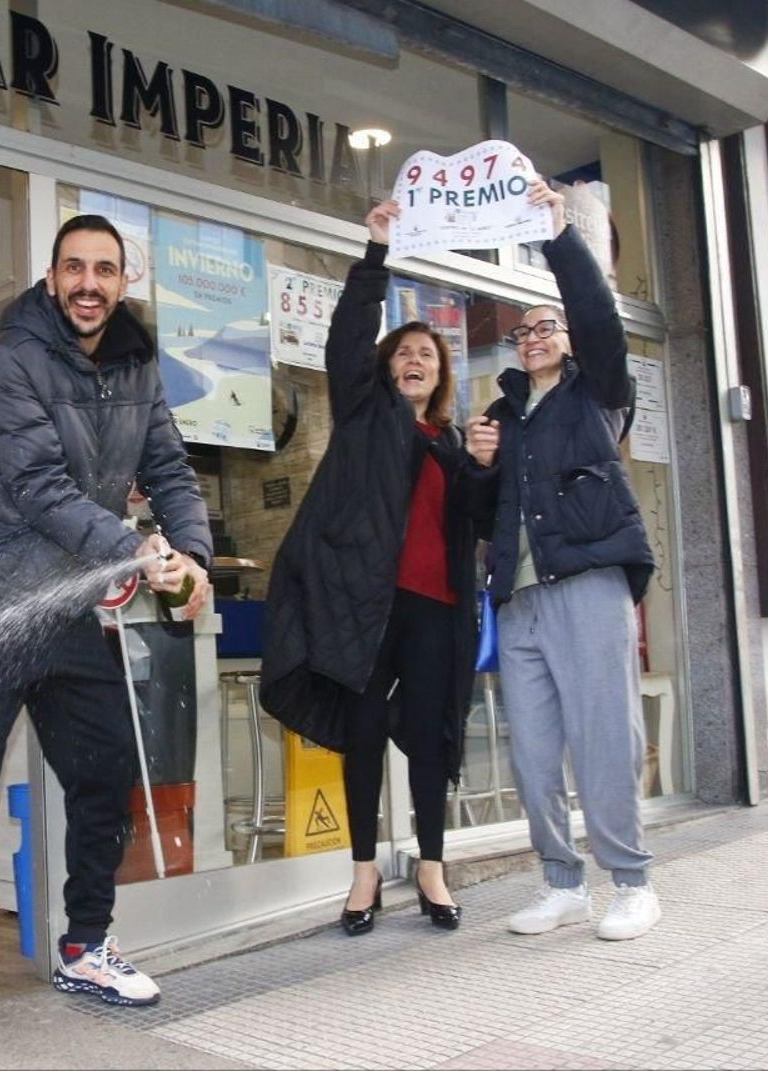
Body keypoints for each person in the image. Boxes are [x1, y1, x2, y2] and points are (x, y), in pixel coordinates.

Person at [0, 215, 213, 1048]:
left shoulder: (135, 364)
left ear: (124, 283)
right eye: (74, 268)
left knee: (106, 766)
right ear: (52, 280)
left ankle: (85, 943)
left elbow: (167, 467)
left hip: (65, 603)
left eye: (105, 270)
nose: (89, 283)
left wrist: (189, 553)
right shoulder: (12, 360)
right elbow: (41, 485)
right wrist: (132, 551)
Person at [261, 200, 500, 936]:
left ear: (442, 375)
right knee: (363, 732)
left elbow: (481, 523)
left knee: (428, 737)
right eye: (404, 352)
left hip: (436, 609)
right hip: (362, 604)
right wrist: (374, 254)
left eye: (428, 355)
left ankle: (431, 864)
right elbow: (346, 337)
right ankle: (363, 872)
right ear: (385, 367)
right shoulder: (365, 414)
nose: (416, 360)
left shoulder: (455, 445)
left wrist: (485, 470)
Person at [479, 177, 660, 942]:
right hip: (517, 602)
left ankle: (631, 880)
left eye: (546, 326)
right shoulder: (501, 416)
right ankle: (561, 881)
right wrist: (476, 460)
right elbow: (476, 510)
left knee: (603, 735)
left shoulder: (598, 393)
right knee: (532, 752)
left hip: (588, 582)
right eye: (522, 333)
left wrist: (559, 237)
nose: (535, 338)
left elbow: (597, 315)